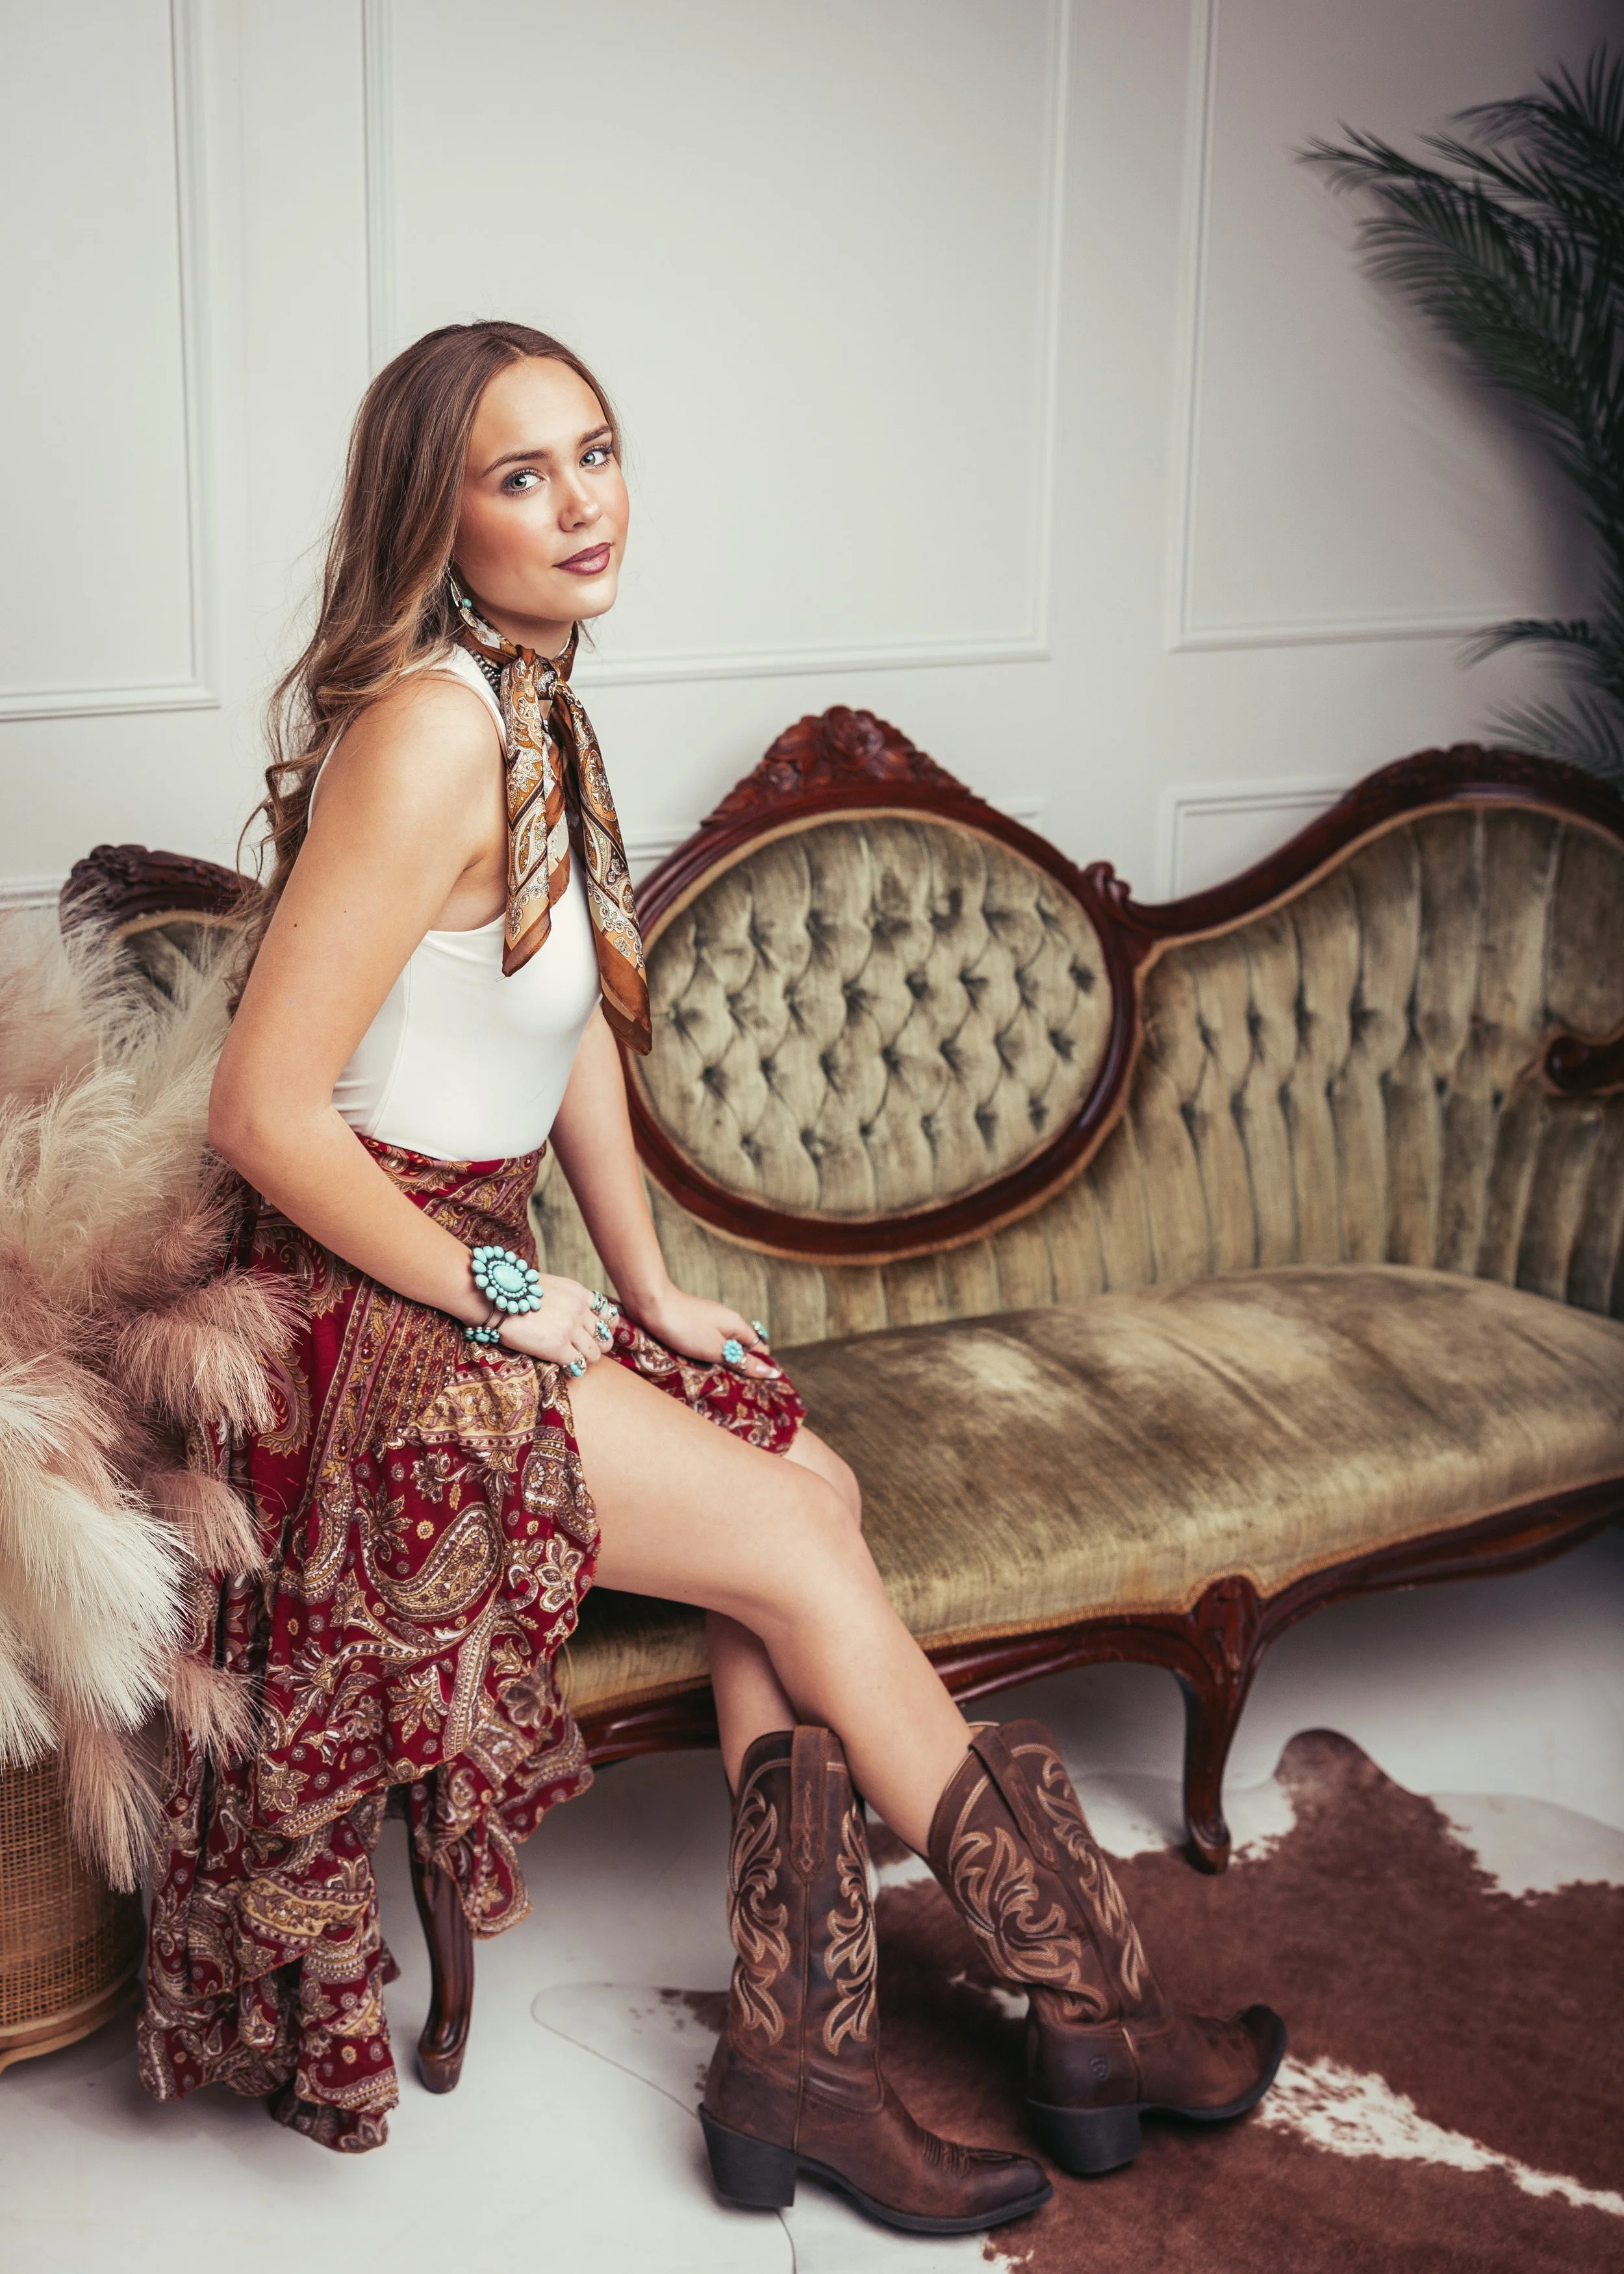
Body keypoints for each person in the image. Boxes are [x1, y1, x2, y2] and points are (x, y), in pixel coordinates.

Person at [137, 319, 1283, 2223]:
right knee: (802, 1534)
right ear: (439, 516)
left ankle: (799, 2067)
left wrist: (652, 1287)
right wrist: (509, 1298)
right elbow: (265, 1110)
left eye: (596, 451)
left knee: (795, 1487)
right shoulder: (431, 729)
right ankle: (1090, 1999)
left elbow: (570, 1010)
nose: (582, 501)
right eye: (522, 474)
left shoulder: (534, 702)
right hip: (375, 1330)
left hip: (463, 1272)